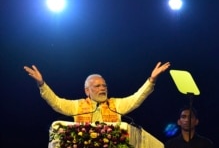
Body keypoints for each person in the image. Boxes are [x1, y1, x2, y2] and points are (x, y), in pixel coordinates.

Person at [24, 61, 170, 123]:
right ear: (87, 90)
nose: (102, 88)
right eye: (97, 86)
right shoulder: (78, 106)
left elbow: (137, 97)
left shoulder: (116, 105)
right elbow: (55, 102)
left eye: (104, 86)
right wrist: (41, 84)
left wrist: (152, 79)